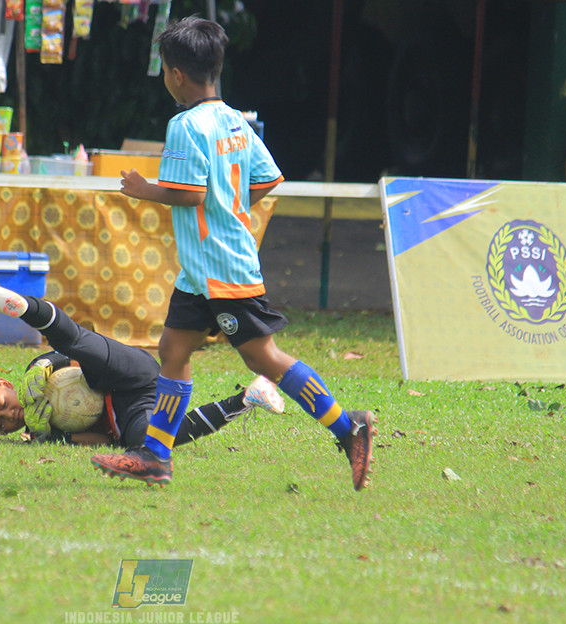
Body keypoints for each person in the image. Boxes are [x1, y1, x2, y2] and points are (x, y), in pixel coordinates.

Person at [90, 16, 378, 490]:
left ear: (177, 74)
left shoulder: (184, 125)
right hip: (201, 271)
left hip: (222, 270)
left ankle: (350, 429)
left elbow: (189, 193)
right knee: (173, 349)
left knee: (264, 358)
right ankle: (156, 456)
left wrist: (144, 189)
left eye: (165, 70)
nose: (166, 78)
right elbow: (267, 179)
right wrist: (232, 210)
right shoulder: (235, 121)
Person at [0, 276, 285, 449]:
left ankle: (23, 306)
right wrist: (52, 438)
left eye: (3, 404)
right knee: (147, 441)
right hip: (132, 407)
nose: (10, 415)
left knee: (76, 342)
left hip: (125, 371)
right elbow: (106, 442)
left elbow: (67, 355)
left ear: (4, 386)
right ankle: (246, 397)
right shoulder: (42, 433)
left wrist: (43, 366)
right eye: (0, 425)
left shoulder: (34, 375)